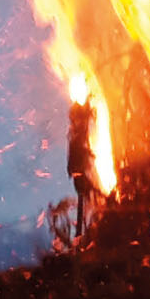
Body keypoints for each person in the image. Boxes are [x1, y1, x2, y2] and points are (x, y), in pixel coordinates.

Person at [66, 98, 99, 240]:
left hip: (78, 172)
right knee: (88, 194)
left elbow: (77, 150)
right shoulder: (75, 136)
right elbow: (77, 150)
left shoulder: (76, 135)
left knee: (88, 194)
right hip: (78, 172)